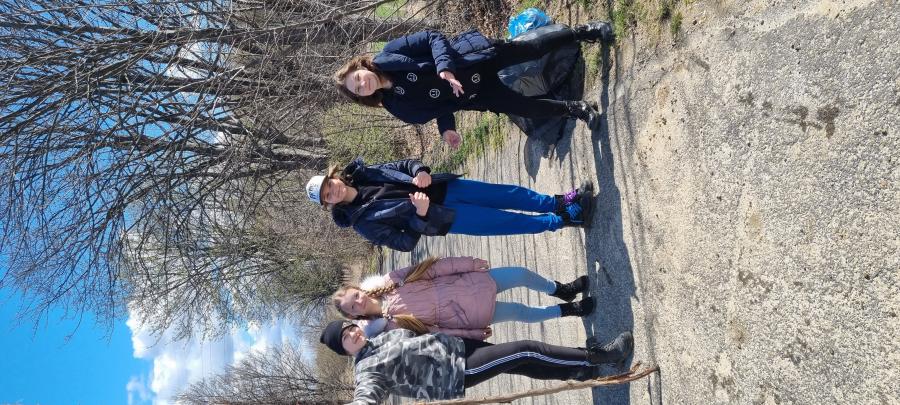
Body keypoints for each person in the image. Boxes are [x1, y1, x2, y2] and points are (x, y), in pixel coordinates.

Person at [333, 22, 615, 148]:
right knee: (526, 108)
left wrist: (444, 67)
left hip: (473, 60)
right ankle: (577, 109)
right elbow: (439, 107)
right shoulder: (397, 106)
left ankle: (584, 31)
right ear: (363, 97)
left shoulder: (390, 54)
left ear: (360, 67)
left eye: (357, 78)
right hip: (476, 94)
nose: (362, 84)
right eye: (358, 89)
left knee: (532, 48)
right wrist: (447, 129)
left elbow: (432, 37)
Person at [305, 158, 595, 252]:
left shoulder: (364, 173)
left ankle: (559, 202)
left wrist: (419, 170)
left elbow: (403, 165)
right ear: (328, 204)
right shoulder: (362, 224)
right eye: (327, 196)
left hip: (445, 188)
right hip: (445, 216)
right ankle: (565, 220)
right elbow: (404, 243)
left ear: (334, 177)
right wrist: (420, 215)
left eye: (329, 185)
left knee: (508, 193)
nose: (333, 191)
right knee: (506, 221)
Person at [320, 320, 634, 404]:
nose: (352, 334)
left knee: (520, 363)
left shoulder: (375, 340)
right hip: (454, 371)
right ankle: (604, 355)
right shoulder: (366, 370)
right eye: (346, 338)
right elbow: (367, 395)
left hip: (458, 348)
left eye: (350, 328)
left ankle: (580, 370)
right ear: (344, 351)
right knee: (525, 350)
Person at [333, 256, 594, 340]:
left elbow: (432, 269)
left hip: (469, 282)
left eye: (355, 295)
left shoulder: (391, 280)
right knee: (521, 311)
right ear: (354, 315)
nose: (358, 301)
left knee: (521, 274)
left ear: (358, 289)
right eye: (352, 307)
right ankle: (569, 310)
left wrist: (468, 263)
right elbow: (436, 333)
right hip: (468, 315)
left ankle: (561, 289)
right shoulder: (390, 329)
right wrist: (471, 335)